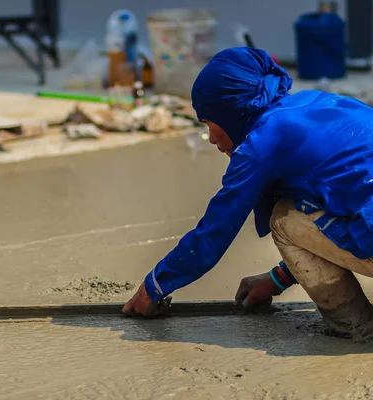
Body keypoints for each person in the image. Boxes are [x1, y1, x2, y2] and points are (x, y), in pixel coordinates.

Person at [122, 46, 373, 340]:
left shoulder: (262, 144)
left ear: (228, 111)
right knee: (307, 206)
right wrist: (277, 279)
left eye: (208, 124)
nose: (212, 139)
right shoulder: (314, 103)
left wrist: (154, 285)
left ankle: (358, 328)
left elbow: (214, 231)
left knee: (284, 218)